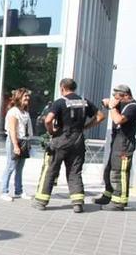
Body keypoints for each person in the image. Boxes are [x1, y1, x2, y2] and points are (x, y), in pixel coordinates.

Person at [33, 78, 105, 213]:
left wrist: (51, 131)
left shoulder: (60, 102)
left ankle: (41, 201)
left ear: (62, 88)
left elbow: (48, 119)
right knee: (74, 171)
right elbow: (100, 116)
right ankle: (78, 203)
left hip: (61, 139)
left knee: (50, 169)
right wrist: (86, 127)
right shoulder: (85, 102)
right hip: (78, 140)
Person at [93, 84, 136, 211]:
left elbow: (118, 120)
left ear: (126, 95)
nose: (115, 99)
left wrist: (112, 106)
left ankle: (119, 201)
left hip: (125, 144)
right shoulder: (123, 104)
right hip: (117, 142)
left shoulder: (133, 108)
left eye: (117, 97)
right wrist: (108, 104)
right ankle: (108, 196)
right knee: (109, 170)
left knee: (119, 173)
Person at [0, 88, 33, 201]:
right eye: (25, 96)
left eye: (28, 96)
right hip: (15, 141)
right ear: (19, 97)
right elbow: (12, 130)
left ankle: (19, 191)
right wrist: (15, 146)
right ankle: (4, 191)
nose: (27, 98)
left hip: (24, 141)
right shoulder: (13, 112)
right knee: (10, 166)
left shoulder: (25, 112)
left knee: (20, 168)